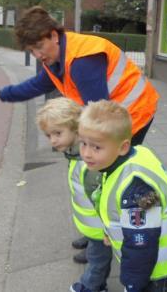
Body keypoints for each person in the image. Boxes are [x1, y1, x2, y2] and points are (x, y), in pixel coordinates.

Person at [0, 6, 159, 146]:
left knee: (115, 165)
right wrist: (0, 94)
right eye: (31, 51)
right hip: (115, 110)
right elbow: (35, 86)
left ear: (54, 36)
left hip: (134, 111)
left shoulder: (82, 61)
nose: (38, 55)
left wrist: (71, 138)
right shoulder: (56, 59)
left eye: (39, 46)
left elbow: (98, 114)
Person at [78, 100, 167, 292]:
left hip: (154, 268)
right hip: (148, 261)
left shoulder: (135, 188)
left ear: (122, 147)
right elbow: (114, 208)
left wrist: (132, 284)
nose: (86, 153)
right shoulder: (125, 159)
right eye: (83, 143)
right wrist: (109, 233)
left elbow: (141, 245)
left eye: (96, 147)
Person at [35, 98, 112, 292]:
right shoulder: (74, 152)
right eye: (48, 135)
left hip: (101, 229)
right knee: (98, 258)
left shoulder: (89, 162)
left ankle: (91, 287)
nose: (52, 140)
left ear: (77, 129)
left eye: (57, 133)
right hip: (93, 226)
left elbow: (105, 200)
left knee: (97, 261)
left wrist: (109, 230)